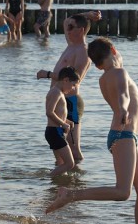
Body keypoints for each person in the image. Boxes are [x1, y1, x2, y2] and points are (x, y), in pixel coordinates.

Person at [46, 37, 138, 224]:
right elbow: (124, 98)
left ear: (96, 65)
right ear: (114, 50)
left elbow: (123, 101)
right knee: (123, 192)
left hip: (126, 136)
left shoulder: (106, 77)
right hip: (123, 136)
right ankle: (70, 195)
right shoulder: (120, 73)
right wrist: (126, 109)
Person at [36, 11, 102, 162]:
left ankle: (77, 181)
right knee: (59, 145)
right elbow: (66, 20)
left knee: (73, 147)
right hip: (59, 99)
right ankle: (61, 181)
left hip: (70, 101)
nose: (68, 29)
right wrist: (88, 14)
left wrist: (47, 74)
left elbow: (74, 79)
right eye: (68, 28)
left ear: (81, 30)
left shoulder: (83, 51)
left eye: (72, 27)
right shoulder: (71, 44)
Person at [45, 66, 80, 176]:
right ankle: (49, 177)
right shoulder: (56, 92)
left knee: (61, 163)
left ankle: (58, 185)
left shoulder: (57, 92)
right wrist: (64, 124)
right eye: (73, 84)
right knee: (70, 164)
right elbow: (49, 112)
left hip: (54, 131)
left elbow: (57, 113)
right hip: (54, 132)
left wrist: (67, 121)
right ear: (65, 80)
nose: (73, 88)